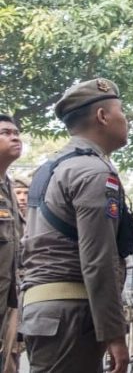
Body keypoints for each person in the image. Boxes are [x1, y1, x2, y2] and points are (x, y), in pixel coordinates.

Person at [19, 79, 133, 372]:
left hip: (44, 308)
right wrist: (114, 332)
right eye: (122, 111)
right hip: (72, 313)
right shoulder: (93, 171)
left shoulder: (52, 167)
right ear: (103, 116)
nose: (126, 120)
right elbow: (98, 259)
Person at [0, 116, 22, 373]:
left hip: (8, 302)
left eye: (16, 133)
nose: (15, 137)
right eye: (6, 132)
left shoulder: (9, 188)